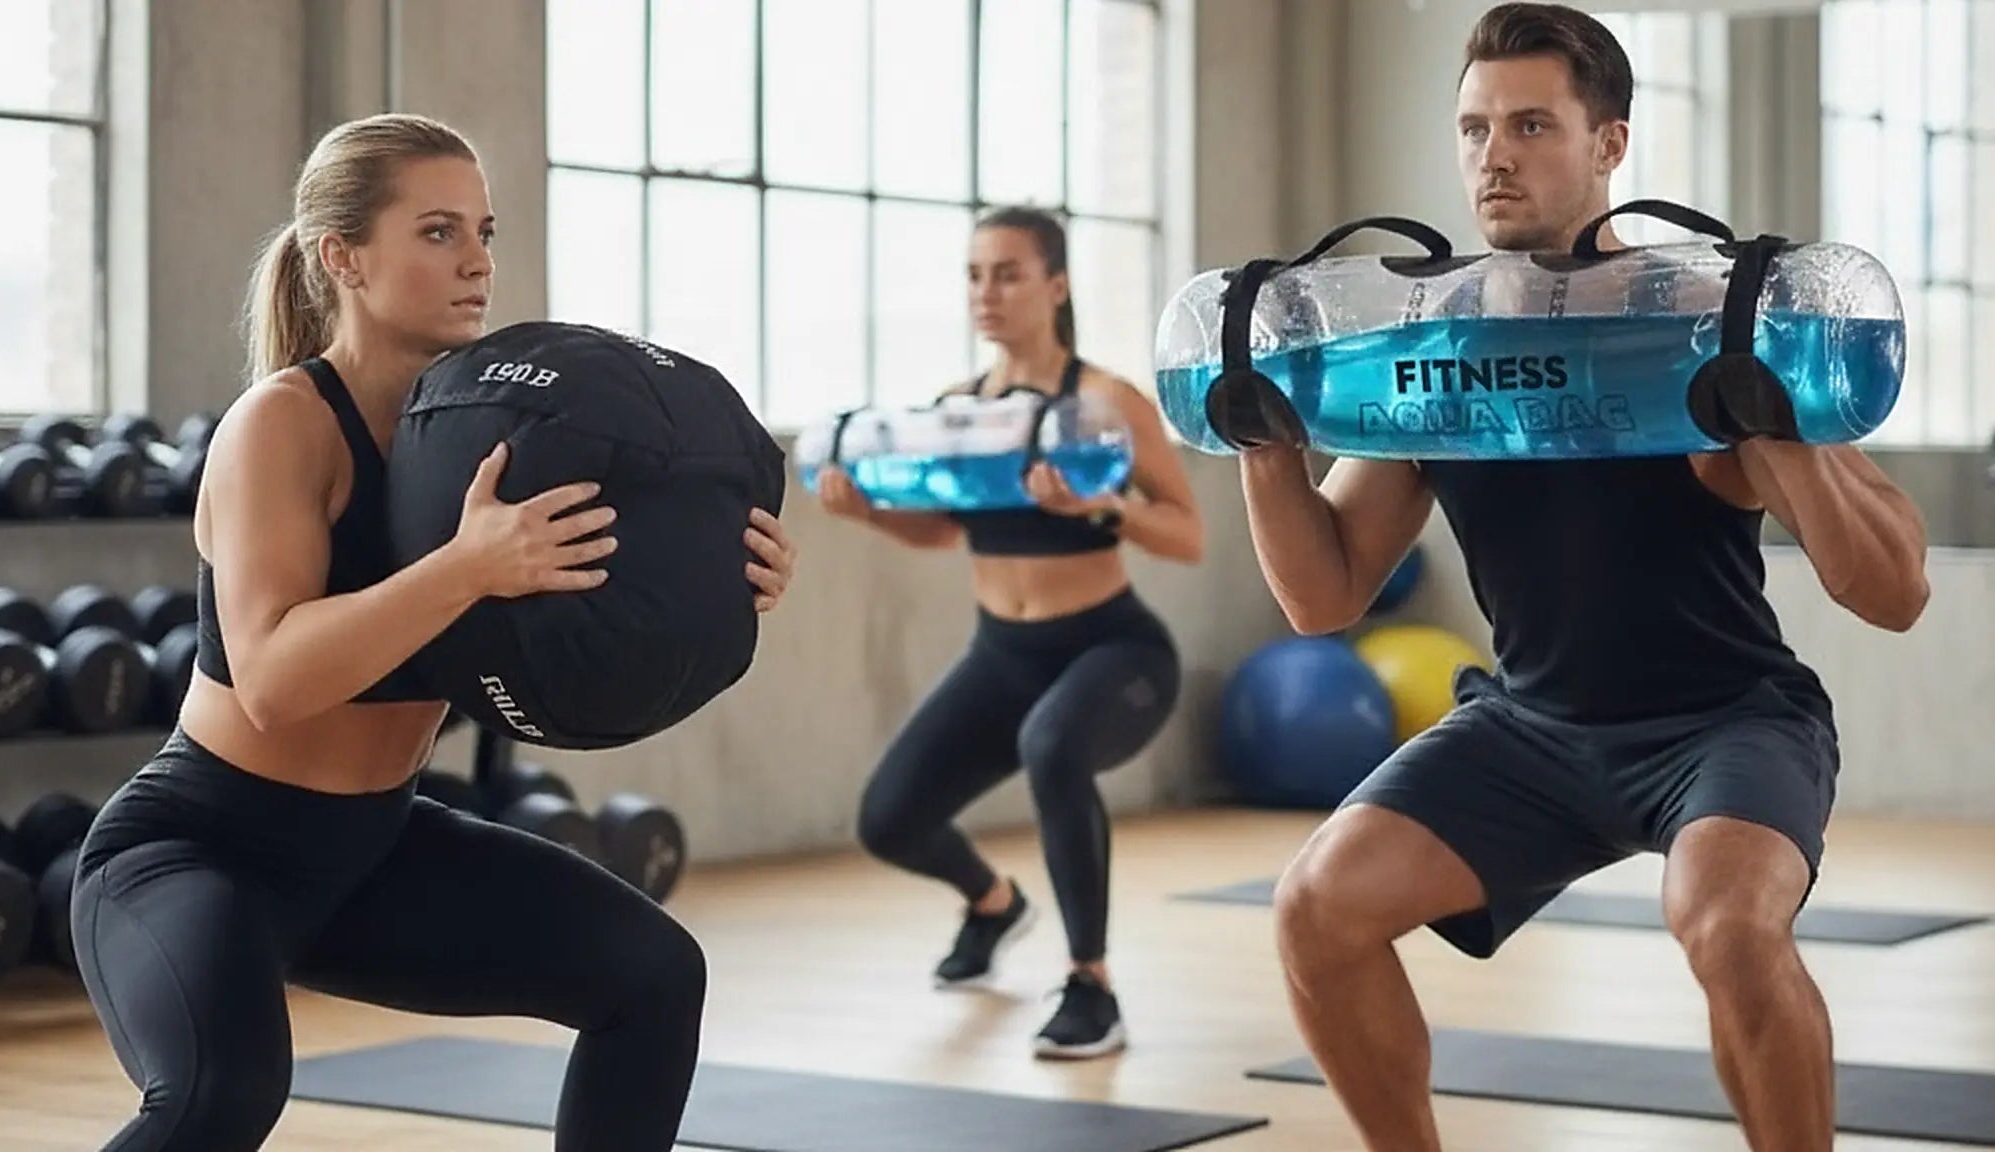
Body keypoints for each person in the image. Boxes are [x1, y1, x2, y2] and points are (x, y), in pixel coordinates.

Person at [1247, 5, 1930, 1150]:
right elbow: (1322, 596)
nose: (1491, 156)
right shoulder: (1436, 349)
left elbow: (1896, 589)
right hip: (1531, 728)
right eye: (1471, 130)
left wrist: (1780, 439)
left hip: (1721, 723)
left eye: (1527, 125)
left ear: (1608, 145)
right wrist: (1264, 449)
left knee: (1725, 928)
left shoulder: (1693, 324)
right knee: (1316, 908)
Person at [68, 112, 798, 1152]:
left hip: (373, 851)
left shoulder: (480, 429)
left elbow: (584, 597)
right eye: (439, 232)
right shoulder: (280, 425)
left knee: (652, 976)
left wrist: (719, 579)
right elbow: (271, 679)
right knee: (217, 1092)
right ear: (344, 257)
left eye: (485, 234)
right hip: (200, 848)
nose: (477, 264)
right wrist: (464, 567)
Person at [814, 206, 1205, 1059]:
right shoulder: (962, 409)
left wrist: (1099, 504)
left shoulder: (1104, 403)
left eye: (1008, 273)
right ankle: (994, 903)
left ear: (1056, 287)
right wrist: (870, 511)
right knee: (888, 819)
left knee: (1053, 746)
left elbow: (1187, 532)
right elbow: (945, 530)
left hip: (1113, 650)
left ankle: (1091, 985)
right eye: (973, 275)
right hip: (1002, 655)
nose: (986, 293)